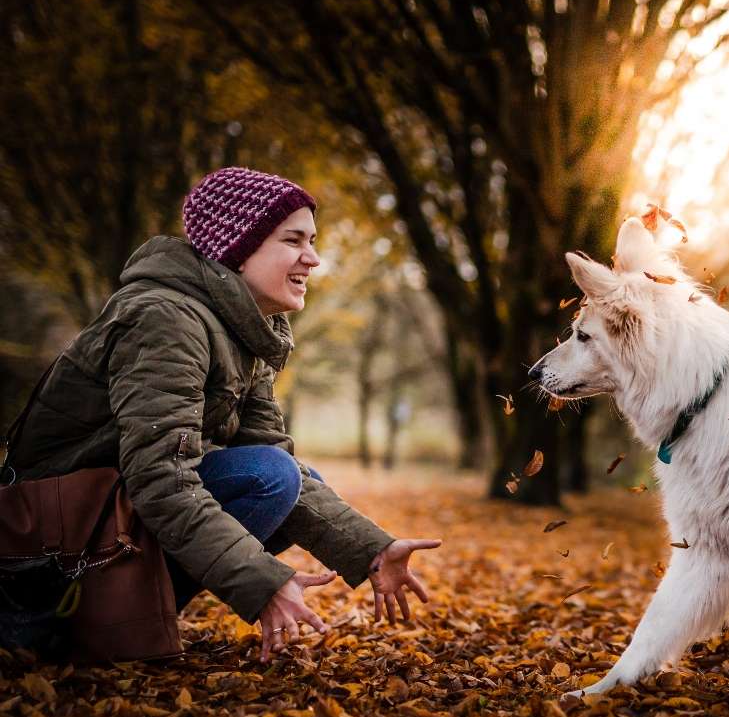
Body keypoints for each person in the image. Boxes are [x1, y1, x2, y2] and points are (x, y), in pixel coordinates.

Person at [6, 167, 440, 661]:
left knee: (287, 475)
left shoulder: (244, 330)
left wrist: (371, 551)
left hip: (107, 518)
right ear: (238, 247)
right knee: (268, 476)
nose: (313, 259)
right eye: (293, 240)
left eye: (313, 241)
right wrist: (262, 584)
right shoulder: (166, 318)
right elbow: (160, 477)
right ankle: (63, 621)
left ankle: (125, 612)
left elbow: (277, 460)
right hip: (45, 543)